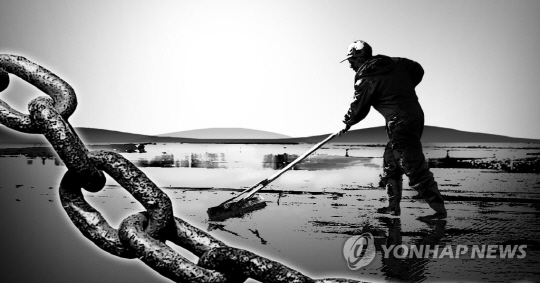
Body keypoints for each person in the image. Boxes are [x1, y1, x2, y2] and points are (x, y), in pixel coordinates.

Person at [338, 40, 447, 220]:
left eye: (351, 60)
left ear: (360, 57)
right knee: (391, 159)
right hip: (415, 115)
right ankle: (393, 207)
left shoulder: (366, 77)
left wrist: (347, 122)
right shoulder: (397, 63)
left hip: (399, 123)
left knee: (413, 166)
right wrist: (403, 88)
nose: (349, 64)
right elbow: (418, 70)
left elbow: (359, 107)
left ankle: (439, 211)